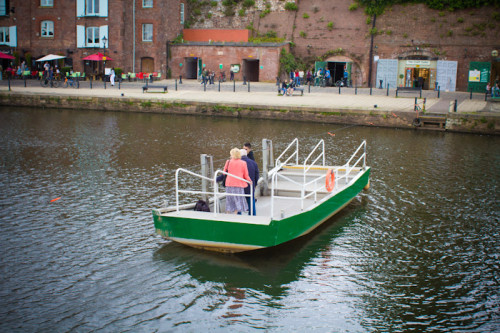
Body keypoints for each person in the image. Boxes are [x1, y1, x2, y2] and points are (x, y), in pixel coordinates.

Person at [221, 148, 252, 214]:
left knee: (229, 200)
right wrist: (250, 181)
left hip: (229, 184)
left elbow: (224, 173)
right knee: (238, 200)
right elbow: (246, 175)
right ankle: (235, 215)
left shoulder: (228, 162)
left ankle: (228, 214)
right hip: (239, 184)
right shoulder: (243, 163)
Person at [240, 149, 259, 215]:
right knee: (251, 201)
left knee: (239, 201)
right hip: (250, 185)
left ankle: (239, 216)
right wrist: (255, 184)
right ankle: (252, 215)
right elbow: (257, 175)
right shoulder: (253, 163)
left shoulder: (238, 162)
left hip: (240, 186)